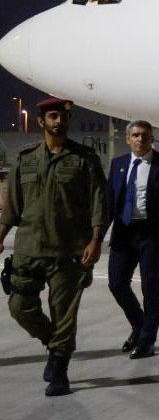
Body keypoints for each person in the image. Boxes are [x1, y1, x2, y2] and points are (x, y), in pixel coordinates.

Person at [0, 98, 107, 396]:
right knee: (20, 307)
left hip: (69, 251)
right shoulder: (25, 159)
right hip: (29, 248)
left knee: (64, 315)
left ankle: (59, 369)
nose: (59, 121)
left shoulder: (84, 158)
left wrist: (96, 239)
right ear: (42, 122)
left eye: (62, 117)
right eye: (53, 116)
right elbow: (11, 206)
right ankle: (54, 343)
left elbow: (100, 200)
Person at [105, 120, 159, 359]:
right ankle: (139, 324)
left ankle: (147, 341)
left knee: (150, 287)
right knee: (117, 283)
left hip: (152, 235)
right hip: (123, 233)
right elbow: (110, 202)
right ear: (128, 139)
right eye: (135, 135)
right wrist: (97, 234)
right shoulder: (118, 164)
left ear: (152, 139)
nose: (140, 139)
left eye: (145, 135)